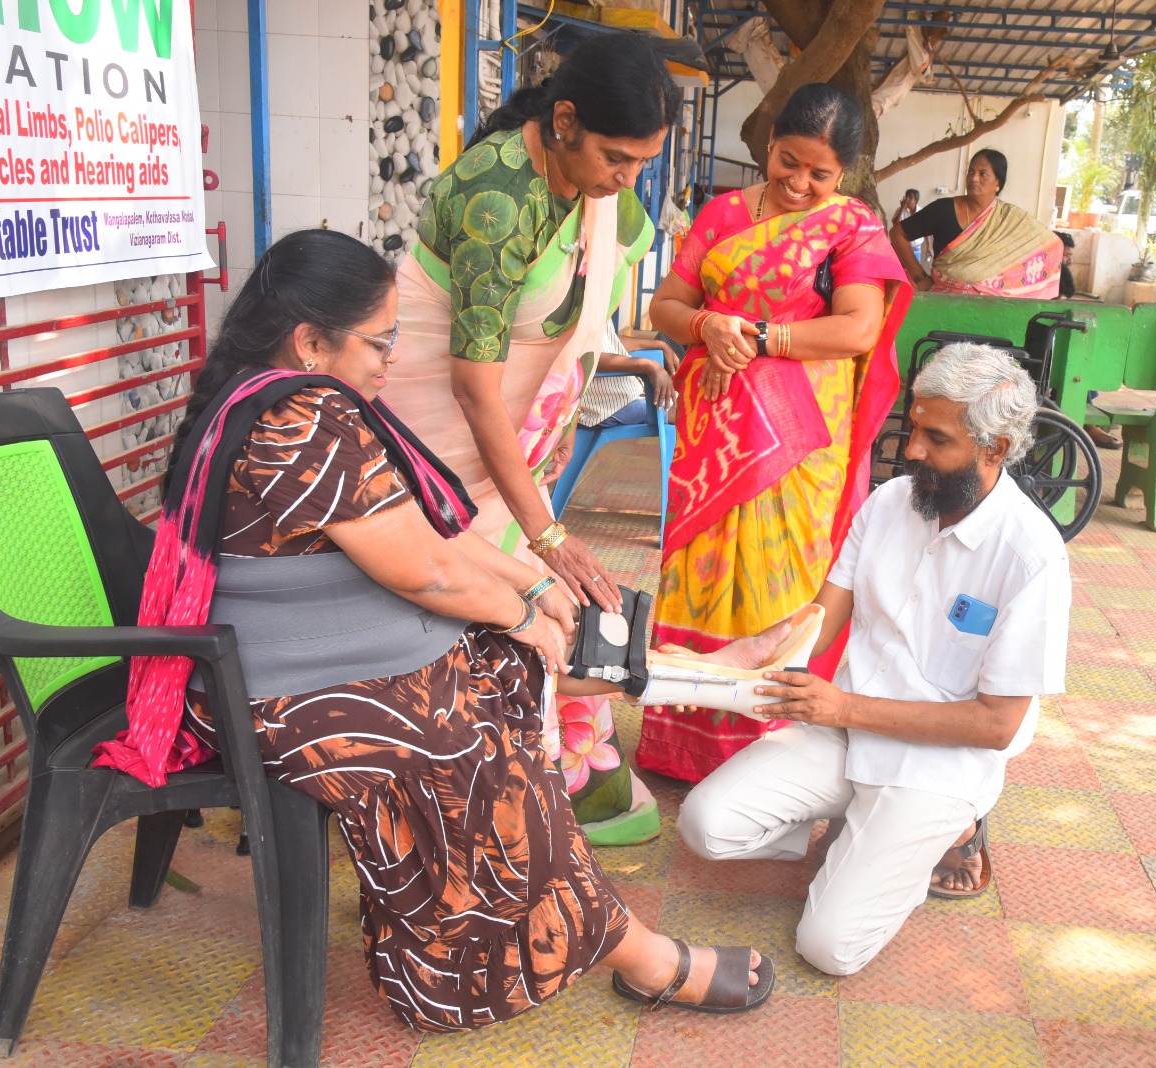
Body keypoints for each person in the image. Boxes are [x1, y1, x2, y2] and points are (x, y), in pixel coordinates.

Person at [93, 230, 778, 1031]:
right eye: (380, 341)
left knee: (496, 673)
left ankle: (514, 913)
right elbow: (427, 571)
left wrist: (532, 580)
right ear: (311, 341)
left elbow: (430, 537)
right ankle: (622, 953)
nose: (390, 361)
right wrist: (523, 607)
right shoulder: (302, 417)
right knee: (474, 728)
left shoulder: (274, 393)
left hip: (284, 660)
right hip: (269, 690)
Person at [677, 342, 1070, 977]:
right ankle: (862, 835)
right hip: (842, 731)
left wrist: (843, 705)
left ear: (994, 449)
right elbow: (819, 615)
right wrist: (727, 665)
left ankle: (955, 829)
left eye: (935, 438)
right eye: (913, 427)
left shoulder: (1032, 557)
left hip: (939, 765)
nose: (912, 450)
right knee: (705, 824)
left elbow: (998, 724)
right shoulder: (893, 503)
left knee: (829, 949)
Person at [384, 34, 681, 844]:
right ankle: (454, 800)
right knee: (476, 600)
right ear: (563, 122)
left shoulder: (598, 186)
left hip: (512, 440)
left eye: (643, 162)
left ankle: (519, 781)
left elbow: (580, 304)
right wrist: (548, 536)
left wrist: (616, 351)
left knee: (527, 608)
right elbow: (474, 388)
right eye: (617, 158)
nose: (627, 179)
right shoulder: (497, 198)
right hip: (438, 438)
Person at [636, 84, 911, 783]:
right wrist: (706, 325)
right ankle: (684, 744)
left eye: (819, 174)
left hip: (800, 443)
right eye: (787, 162)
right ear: (768, 145)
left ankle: (768, 757)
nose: (798, 183)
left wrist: (758, 335)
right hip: (716, 431)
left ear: (842, 175)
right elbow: (668, 303)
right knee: (701, 580)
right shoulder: (724, 214)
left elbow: (857, 328)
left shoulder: (852, 226)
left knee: (780, 586)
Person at [889, 150, 1063, 298]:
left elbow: (1052, 245)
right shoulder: (943, 209)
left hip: (990, 308)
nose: (974, 178)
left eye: (983, 174)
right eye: (971, 172)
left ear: (998, 183)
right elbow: (898, 234)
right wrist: (920, 278)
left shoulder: (1009, 219)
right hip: (942, 301)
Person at [577, 324, 678, 430]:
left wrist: (659, 345)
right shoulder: (575, 310)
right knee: (685, 413)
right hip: (606, 406)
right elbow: (583, 356)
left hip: (625, 394)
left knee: (685, 402)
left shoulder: (596, 309)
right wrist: (648, 365)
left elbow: (611, 342)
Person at [892, 188, 926, 262]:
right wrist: (902, 208)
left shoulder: (921, 212)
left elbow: (927, 228)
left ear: (916, 200)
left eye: (910, 197)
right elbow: (895, 224)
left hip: (916, 246)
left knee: (915, 268)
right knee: (902, 267)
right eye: (906, 196)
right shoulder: (900, 210)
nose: (907, 199)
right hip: (903, 245)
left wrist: (929, 247)